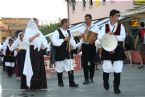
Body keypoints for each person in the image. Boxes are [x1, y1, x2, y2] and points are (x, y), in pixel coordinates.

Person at [98, 9, 126, 94]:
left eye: (118, 15)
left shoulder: (121, 26)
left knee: (118, 69)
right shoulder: (105, 26)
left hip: (117, 48)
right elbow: (99, 37)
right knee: (107, 68)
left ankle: (116, 87)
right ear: (111, 16)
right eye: (116, 15)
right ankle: (105, 81)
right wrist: (107, 35)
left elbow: (123, 37)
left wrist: (114, 36)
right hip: (107, 48)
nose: (118, 17)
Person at [51, 18, 82, 87]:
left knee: (70, 67)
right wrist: (63, 39)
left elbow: (72, 43)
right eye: (68, 23)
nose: (69, 24)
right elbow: (54, 42)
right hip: (59, 53)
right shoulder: (57, 32)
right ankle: (60, 82)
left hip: (68, 53)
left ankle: (72, 82)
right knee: (59, 68)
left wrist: (80, 41)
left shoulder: (68, 32)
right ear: (64, 23)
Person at [21, 18, 48, 89]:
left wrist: (43, 45)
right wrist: (35, 36)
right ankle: (32, 84)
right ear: (33, 23)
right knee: (33, 67)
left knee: (38, 67)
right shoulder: (28, 30)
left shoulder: (38, 31)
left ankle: (39, 84)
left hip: (38, 51)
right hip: (31, 51)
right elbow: (26, 41)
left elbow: (44, 40)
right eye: (36, 23)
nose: (37, 24)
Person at [79, 14, 100, 84]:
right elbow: (79, 37)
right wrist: (82, 34)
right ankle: (86, 79)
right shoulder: (82, 27)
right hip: (85, 45)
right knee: (84, 62)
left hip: (92, 45)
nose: (86, 21)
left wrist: (94, 38)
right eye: (85, 19)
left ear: (91, 19)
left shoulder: (95, 27)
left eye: (87, 19)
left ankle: (91, 78)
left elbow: (99, 36)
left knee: (92, 62)